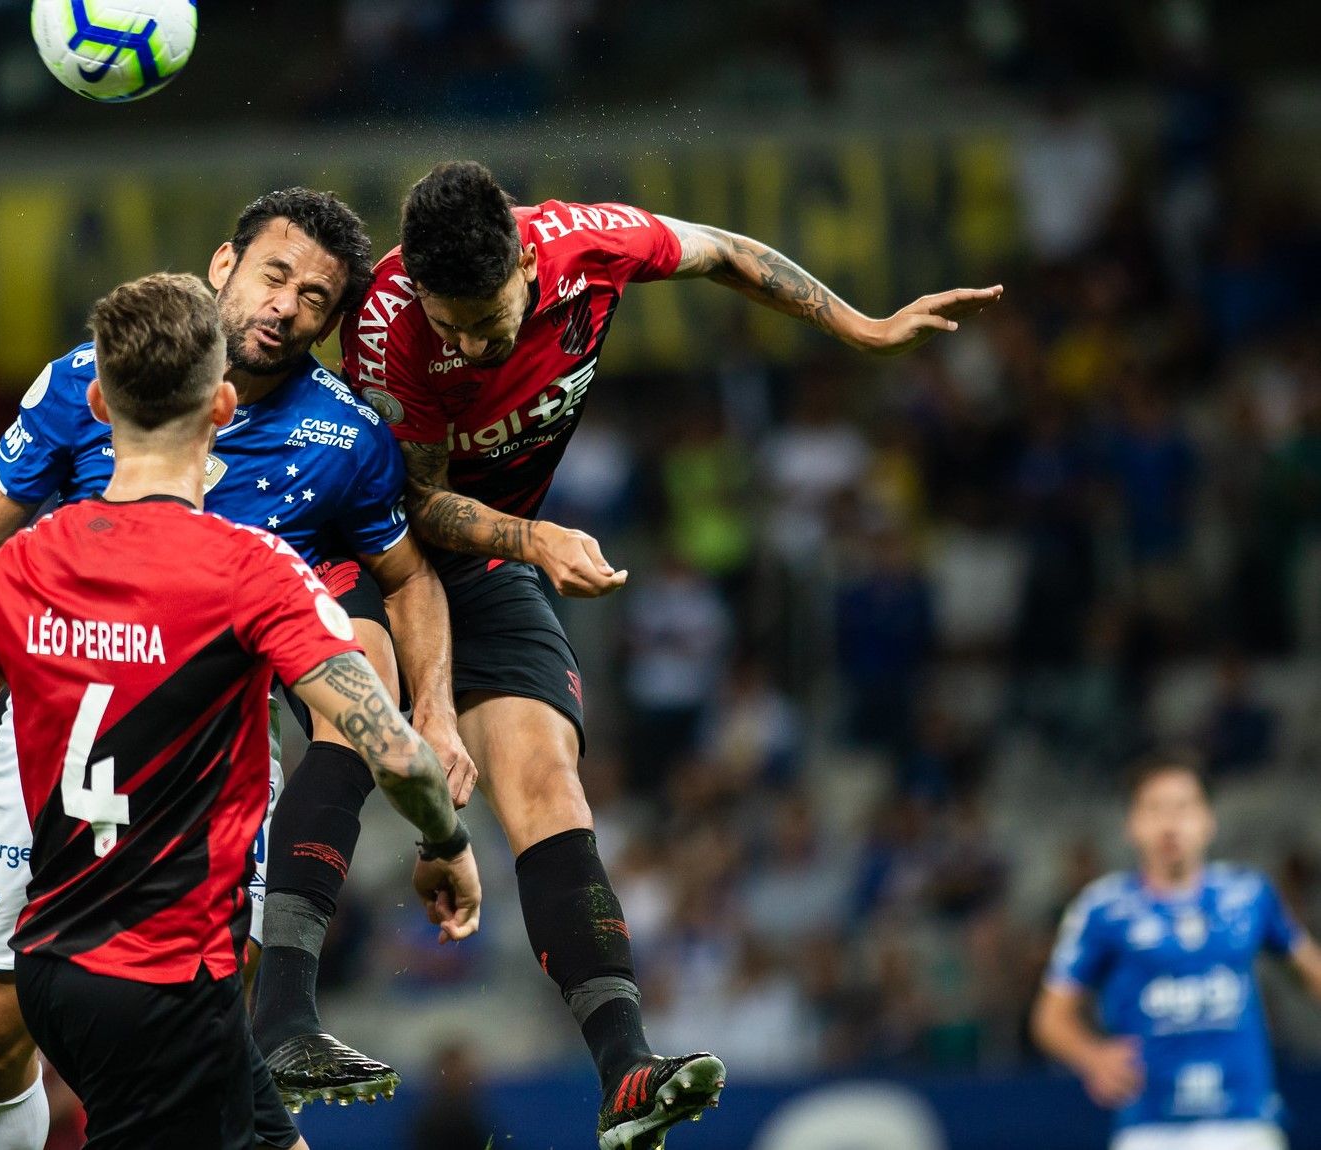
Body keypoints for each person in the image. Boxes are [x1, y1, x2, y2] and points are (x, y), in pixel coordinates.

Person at [263, 158, 1003, 1148]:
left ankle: (625, 1073)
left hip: (487, 559)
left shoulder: (587, 244)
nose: (472, 345)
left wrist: (857, 327)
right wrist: (533, 541)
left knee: (548, 782)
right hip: (364, 541)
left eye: (488, 321)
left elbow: (729, 254)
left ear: (528, 262)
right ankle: (282, 1023)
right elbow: (412, 510)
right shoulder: (392, 326)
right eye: (453, 325)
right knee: (358, 725)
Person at [0, 187, 469, 1144]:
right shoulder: (80, 391)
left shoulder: (342, 439)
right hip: (51, 770)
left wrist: (434, 704)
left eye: (316, 298)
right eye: (274, 275)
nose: (287, 306)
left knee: (195, 1061)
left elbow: (406, 578)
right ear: (224, 266)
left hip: (207, 784)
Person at [1033, 754, 1321, 1150]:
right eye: (1155, 809)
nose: (1170, 824)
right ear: (1131, 825)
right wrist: (1091, 1055)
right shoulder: (1103, 909)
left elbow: (1311, 971)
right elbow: (1050, 1019)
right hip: (1151, 1127)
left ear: (1208, 820)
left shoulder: (1250, 894)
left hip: (1245, 1122)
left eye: (1184, 808)